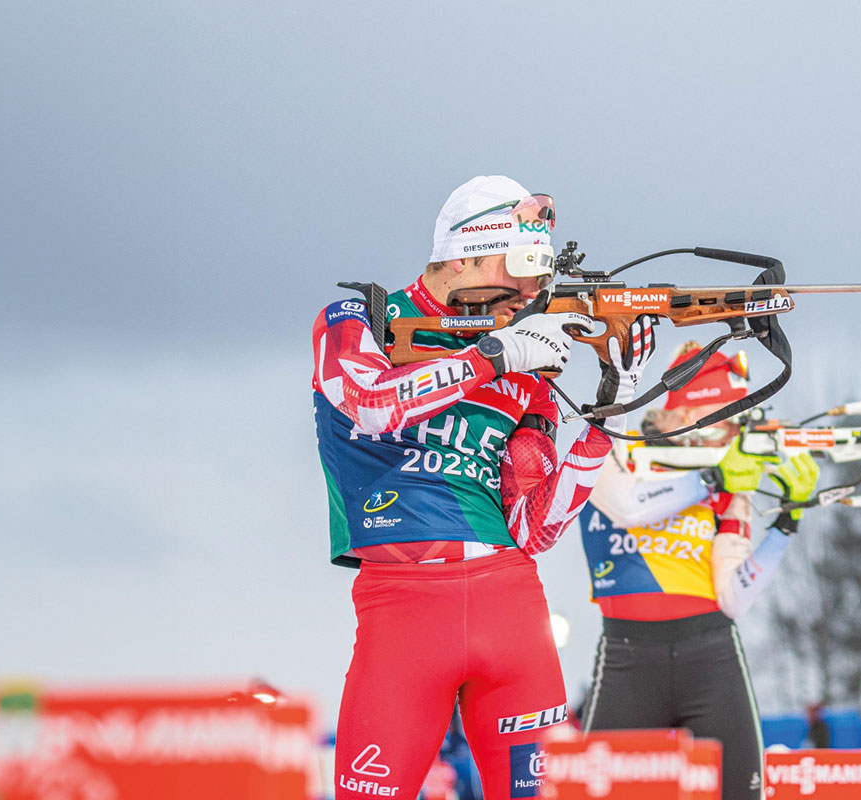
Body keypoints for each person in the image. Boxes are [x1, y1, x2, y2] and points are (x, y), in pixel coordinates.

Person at [313, 175, 656, 800]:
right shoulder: (363, 318)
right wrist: (492, 358)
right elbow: (368, 404)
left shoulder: (529, 357)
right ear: (464, 252)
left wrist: (611, 412)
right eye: (522, 266)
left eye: (542, 274)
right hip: (402, 609)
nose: (532, 290)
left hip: (512, 609)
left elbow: (537, 526)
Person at [576, 342, 819, 800]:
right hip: (629, 656)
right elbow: (626, 506)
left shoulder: (730, 481)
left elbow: (734, 598)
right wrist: (709, 479)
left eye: (731, 420)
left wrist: (787, 522)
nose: (722, 432)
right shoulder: (620, 452)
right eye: (711, 416)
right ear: (671, 415)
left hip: (712, 655)